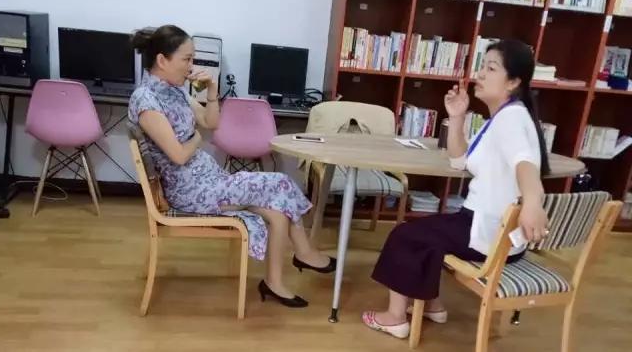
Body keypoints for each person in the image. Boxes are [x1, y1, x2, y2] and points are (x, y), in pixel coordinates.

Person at [128, 25, 335, 308]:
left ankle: (274, 282)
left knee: (278, 211)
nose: (191, 66)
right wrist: (196, 139)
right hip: (191, 191)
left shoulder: (174, 91)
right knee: (281, 182)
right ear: (162, 60)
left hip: (208, 181)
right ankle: (305, 252)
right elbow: (178, 156)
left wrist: (213, 90)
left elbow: (211, 122)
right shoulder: (146, 100)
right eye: (187, 59)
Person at [362, 39, 550, 339]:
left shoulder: (511, 119)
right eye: (482, 66)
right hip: (498, 235)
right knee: (430, 233)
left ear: (513, 82)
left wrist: (532, 202)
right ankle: (432, 305)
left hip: (488, 234)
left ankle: (395, 317)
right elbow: (459, 160)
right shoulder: (503, 117)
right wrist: (458, 117)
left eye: (491, 68)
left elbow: (525, 163)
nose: (480, 74)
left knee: (405, 235)